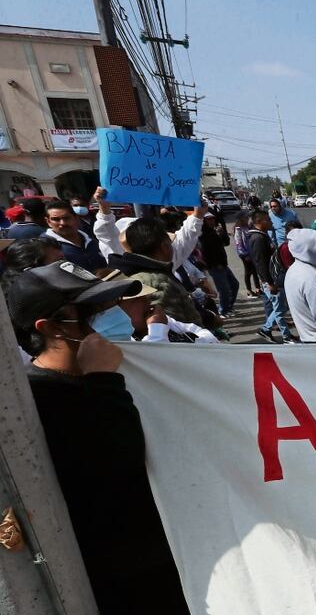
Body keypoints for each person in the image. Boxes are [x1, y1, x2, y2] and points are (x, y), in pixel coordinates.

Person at [6, 262, 189, 612]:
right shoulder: (39, 402)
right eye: (90, 315)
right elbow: (117, 462)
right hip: (126, 581)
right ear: (49, 328)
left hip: (172, 556)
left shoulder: (113, 372)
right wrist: (104, 382)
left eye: (108, 310)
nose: (109, 322)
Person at [106, 218, 204, 326]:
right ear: (164, 247)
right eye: (169, 244)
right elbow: (175, 329)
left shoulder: (128, 276)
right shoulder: (159, 282)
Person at [248, 210, 297, 343]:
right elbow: (261, 263)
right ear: (259, 222)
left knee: (281, 307)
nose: (270, 222)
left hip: (274, 278)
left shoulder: (263, 236)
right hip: (270, 281)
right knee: (280, 310)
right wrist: (269, 283)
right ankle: (286, 337)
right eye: (267, 220)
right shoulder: (257, 239)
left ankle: (266, 329)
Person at [44, 200, 107, 271]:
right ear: (48, 222)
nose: (62, 223)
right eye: (56, 219)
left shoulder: (90, 240)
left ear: (76, 218)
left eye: (66, 218)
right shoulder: (46, 246)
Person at [199, 213, 239, 317]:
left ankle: (228, 307)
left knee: (234, 284)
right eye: (208, 219)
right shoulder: (203, 234)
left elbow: (226, 243)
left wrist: (222, 233)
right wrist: (214, 264)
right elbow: (205, 253)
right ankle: (223, 310)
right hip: (215, 266)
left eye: (213, 219)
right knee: (223, 289)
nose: (211, 221)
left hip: (223, 264)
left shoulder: (215, 231)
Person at [233, 213, 261, 297]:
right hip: (245, 254)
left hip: (251, 252)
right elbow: (239, 243)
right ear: (241, 219)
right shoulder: (238, 229)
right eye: (246, 218)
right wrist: (245, 255)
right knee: (248, 272)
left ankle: (258, 288)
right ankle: (249, 290)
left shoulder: (248, 226)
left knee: (255, 271)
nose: (247, 219)